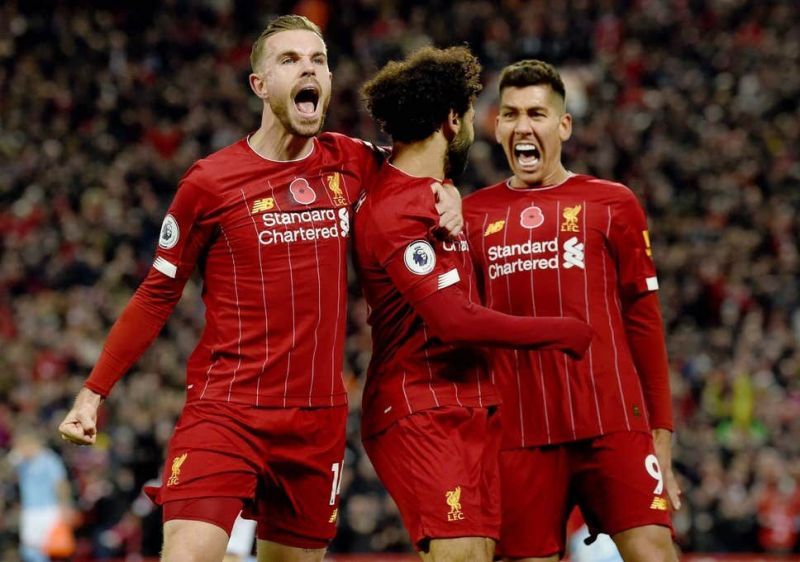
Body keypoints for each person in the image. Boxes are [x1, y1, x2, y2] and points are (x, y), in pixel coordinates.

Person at [57, 15, 462, 562]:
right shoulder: (209, 183)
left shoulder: (353, 161)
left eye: (318, 59)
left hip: (317, 421)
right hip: (227, 409)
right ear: (260, 85)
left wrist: (448, 192)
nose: (309, 69)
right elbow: (157, 292)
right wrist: (93, 392)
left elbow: (416, 182)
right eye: (290, 60)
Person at [353, 47, 593, 562]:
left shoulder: (434, 195)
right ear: (451, 120)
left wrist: (449, 190)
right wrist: (561, 331)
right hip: (420, 406)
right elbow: (453, 320)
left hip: (468, 405)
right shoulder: (395, 209)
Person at [462, 59, 680, 562]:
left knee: (654, 552)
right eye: (511, 114)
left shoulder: (613, 204)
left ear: (564, 125)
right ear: (496, 128)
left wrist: (661, 438)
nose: (523, 126)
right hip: (520, 432)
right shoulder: (471, 217)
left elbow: (644, 323)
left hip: (611, 420)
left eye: (537, 113)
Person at [9, 429, 74, 562]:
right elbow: (7, 476)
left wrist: (65, 505)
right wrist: (12, 459)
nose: (20, 449)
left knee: (46, 549)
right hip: (30, 511)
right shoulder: (23, 463)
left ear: (32, 444)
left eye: (22, 445)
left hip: (48, 510)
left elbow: (61, 484)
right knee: (29, 550)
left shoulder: (49, 460)